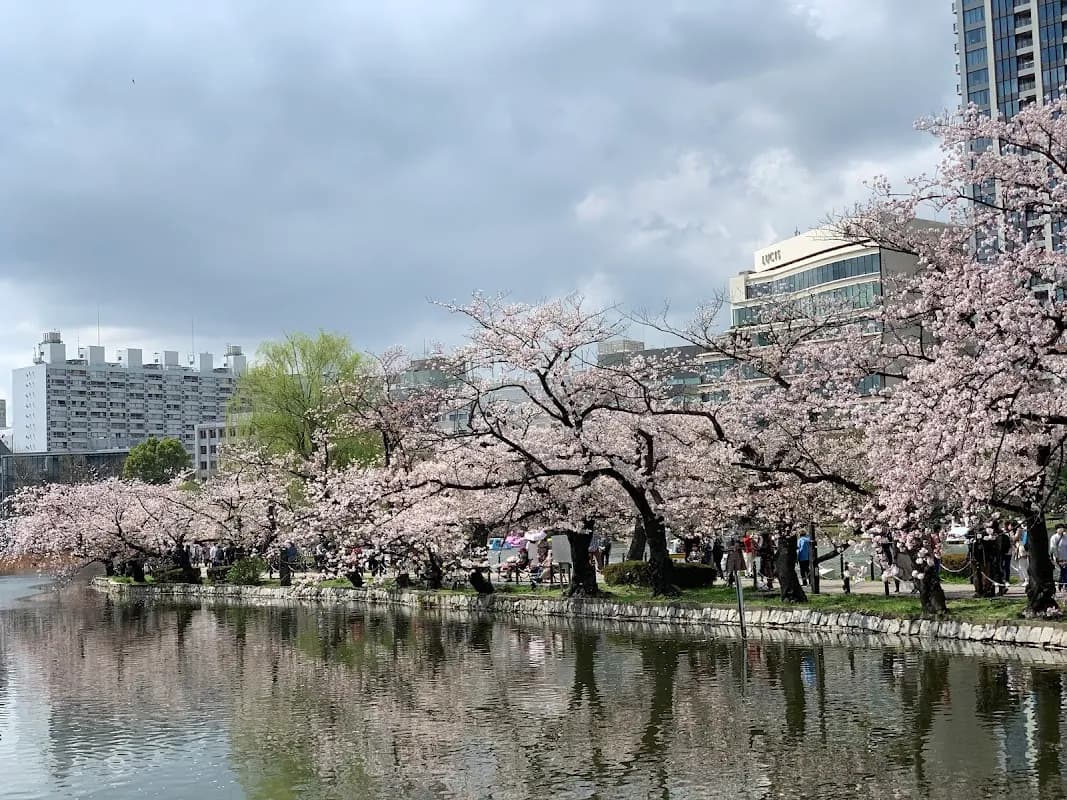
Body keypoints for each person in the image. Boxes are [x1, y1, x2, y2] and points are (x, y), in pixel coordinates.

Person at [1050, 525, 1067, 592]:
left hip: (1065, 556)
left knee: (1064, 571)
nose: (1061, 529)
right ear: (1056, 529)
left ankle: (1062, 585)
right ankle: (1063, 585)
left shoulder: (1065, 537)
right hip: (1058, 558)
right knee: (1063, 570)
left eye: (1062, 528)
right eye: (1060, 528)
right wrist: (1056, 557)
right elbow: (1052, 548)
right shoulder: (1054, 537)